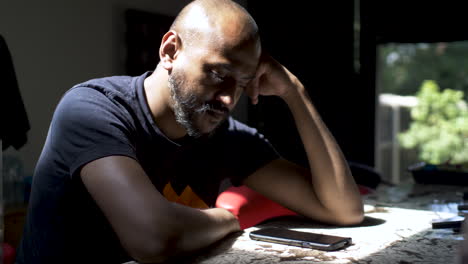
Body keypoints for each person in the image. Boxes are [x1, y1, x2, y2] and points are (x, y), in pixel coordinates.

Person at [16, 0, 364, 263]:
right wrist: (227, 218)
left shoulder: (225, 135)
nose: (229, 99)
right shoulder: (91, 110)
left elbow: (343, 210)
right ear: (170, 51)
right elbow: (153, 239)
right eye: (217, 74)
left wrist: (294, 92)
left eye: (242, 84)